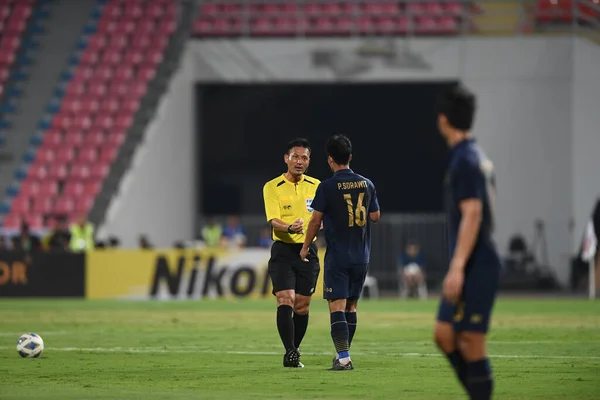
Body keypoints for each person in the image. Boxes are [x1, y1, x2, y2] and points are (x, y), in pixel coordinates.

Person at [433, 85, 501, 400]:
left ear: (443, 120)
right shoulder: (472, 155)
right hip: (472, 258)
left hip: (478, 262)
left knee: (472, 341)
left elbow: (473, 213)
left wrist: (457, 267)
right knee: (444, 334)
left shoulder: (465, 159)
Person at [300, 134, 380, 371]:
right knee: (351, 307)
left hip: (338, 256)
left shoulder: (327, 186)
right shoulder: (367, 184)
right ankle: (343, 354)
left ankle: (344, 358)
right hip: (361, 256)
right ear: (350, 157)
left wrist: (305, 247)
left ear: (330, 160)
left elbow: (315, 222)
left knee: (336, 306)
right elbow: (375, 216)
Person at [262, 138, 321, 368]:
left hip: (308, 252)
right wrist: (288, 227)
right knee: (285, 299)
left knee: (302, 306)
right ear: (286, 159)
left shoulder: (316, 185)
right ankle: (291, 352)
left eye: (304, 158)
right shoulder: (272, 186)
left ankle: (293, 350)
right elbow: (273, 220)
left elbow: (322, 215)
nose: (299, 161)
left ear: (308, 162)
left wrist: (322, 223)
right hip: (284, 251)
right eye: (295, 157)